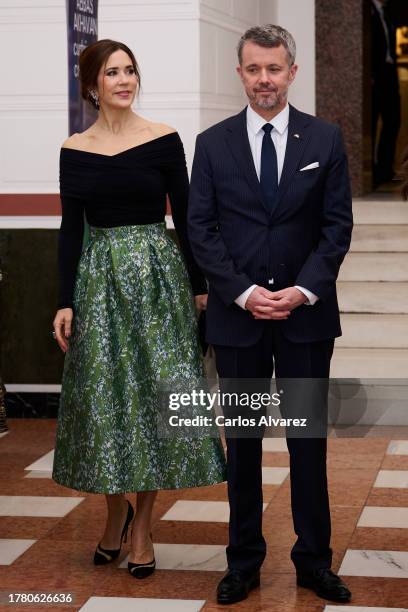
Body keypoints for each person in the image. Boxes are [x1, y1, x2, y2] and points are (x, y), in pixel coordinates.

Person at [188, 25, 353, 605]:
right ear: (240, 72)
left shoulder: (325, 139)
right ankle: (243, 561)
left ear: (292, 71)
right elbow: (200, 230)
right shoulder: (211, 144)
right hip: (238, 321)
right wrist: (241, 292)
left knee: (308, 441)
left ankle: (314, 561)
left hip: (305, 318)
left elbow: (337, 228)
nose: (264, 80)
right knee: (245, 443)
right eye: (254, 69)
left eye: (274, 69)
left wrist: (303, 290)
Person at [52, 39, 226, 579]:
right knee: (103, 404)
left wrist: (200, 288)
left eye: (130, 71)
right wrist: (64, 299)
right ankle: (115, 513)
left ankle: (144, 528)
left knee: (157, 402)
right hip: (99, 281)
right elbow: (69, 229)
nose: (125, 80)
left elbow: (189, 217)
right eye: (112, 73)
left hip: (158, 279)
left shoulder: (164, 139)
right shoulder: (75, 148)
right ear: (92, 85)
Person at [371, 0, 400, 186]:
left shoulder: (386, 13)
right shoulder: (368, 12)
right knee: (371, 122)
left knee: (393, 121)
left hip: (389, 74)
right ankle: (371, 169)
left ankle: (384, 168)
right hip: (374, 76)